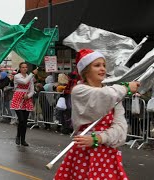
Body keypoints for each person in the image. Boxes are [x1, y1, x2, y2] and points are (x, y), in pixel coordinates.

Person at [54, 49, 139, 180]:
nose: (102, 69)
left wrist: (98, 139)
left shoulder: (114, 96)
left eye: (104, 65)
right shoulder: (79, 91)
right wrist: (126, 88)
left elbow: (121, 130)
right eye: (97, 65)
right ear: (86, 70)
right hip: (83, 155)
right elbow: (102, 96)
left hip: (107, 155)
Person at [10, 62, 38, 146]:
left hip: (27, 99)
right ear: (20, 68)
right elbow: (25, 82)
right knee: (21, 120)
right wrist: (32, 74)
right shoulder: (17, 76)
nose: (25, 69)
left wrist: (28, 96)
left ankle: (23, 139)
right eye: (23, 67)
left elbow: (32, 90)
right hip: (18, 98)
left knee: (25, 121)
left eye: (26, 67)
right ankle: (18, 136)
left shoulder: (30, 77)